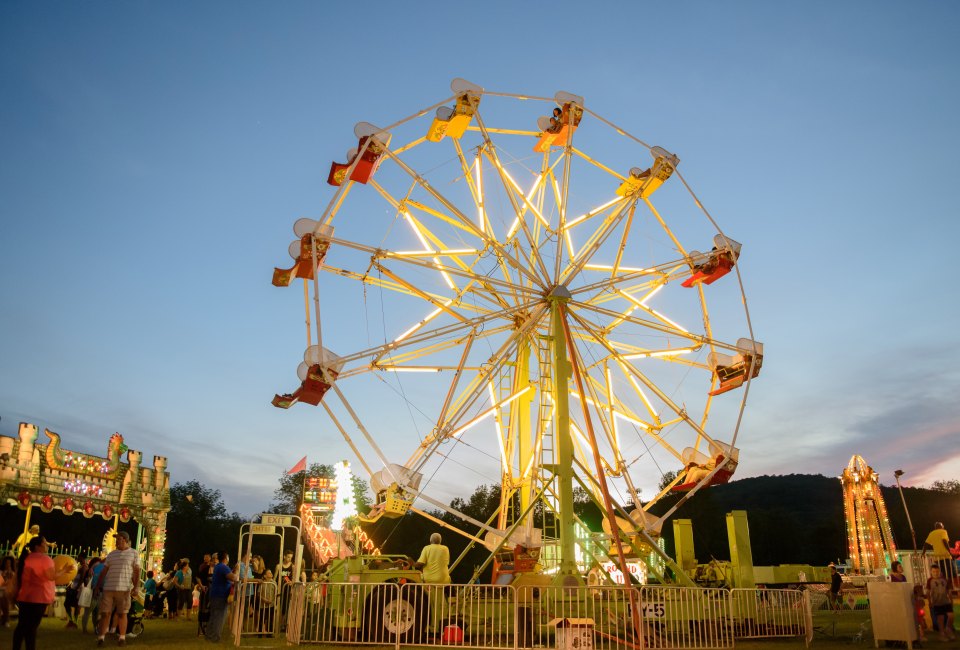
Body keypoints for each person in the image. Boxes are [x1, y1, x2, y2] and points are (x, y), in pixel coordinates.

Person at [13, 536, 70, 650]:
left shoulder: (26, 558)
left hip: (25, 597)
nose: (47, 545)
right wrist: (64, 570)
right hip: (39, 598)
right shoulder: (45, 559)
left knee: (22, 626)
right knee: (31, 628)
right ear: (38, 546)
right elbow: (51, 576)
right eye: (44, 543)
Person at [95, 530, 141, 647]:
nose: (116, 542)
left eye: (118, 539)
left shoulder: (134, 553)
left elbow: (137, 571)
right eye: (116, 539)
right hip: (108, 588)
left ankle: (122, 637)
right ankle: (101, 637)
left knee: (122, 613)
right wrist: (97, 586)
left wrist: (136, 587)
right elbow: (104, 571)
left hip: (124, 588)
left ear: (125, 540)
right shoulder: (111, 554)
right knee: (105, 613)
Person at [205, 550, 237, 643]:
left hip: (215, 594)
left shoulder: (218, 566)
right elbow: (232, 577)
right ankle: (215, 637)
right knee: (219, 617)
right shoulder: (223, 567)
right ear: (225, 558)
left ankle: (209, 636)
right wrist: (236, 573)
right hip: (221, 595)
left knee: (213, 616)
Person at [926, 564, 956, 641]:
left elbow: (948, 590)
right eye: (934, 571)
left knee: (951, 616)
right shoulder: (930, 581)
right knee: (940, 618)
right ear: (931, 572)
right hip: (937, 602)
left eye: (937, 571)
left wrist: (951, 599)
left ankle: (948, 629)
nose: (936, 573)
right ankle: (941, 634)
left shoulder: (944, 580)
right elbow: (928, 592)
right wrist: (930, 602)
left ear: (939, 571)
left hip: (946, 601)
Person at [80, 557, 103, 633]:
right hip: (94, 592)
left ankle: (91, 629)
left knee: (93, 612)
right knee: (92, 612)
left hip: (95, 592)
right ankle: (88, 629)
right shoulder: (91, 571)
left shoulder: (90, 570)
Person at [64, 554, 87, 628]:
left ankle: (74, 622)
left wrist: (76, 588)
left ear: (82, 558)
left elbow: (82, 579)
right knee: (67, 604)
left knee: (76, 605)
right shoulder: (80, 566)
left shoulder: (84, 567)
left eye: (79, 557)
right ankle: (71, 621)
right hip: (75, 587)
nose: (77, 558)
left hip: (78, 588)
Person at [1, 554, 16, 628]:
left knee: (5, 601)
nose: (8, 564)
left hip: (8, 592)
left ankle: (6, 620)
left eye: (9, 563)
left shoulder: (13, 573)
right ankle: (5, 620)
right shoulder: (1, 572)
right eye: (7, 563)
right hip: (1, 590)